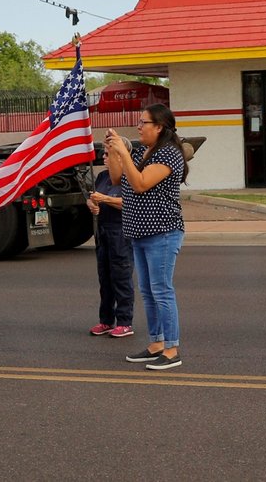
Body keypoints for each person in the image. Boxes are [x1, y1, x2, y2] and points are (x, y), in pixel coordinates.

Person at [105, 103, 188, 371]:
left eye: (144, 123)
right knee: (148, 291)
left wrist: (124, 153)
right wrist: (115, 152)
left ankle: (172, 348)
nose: (139, 127)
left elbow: (140, 184)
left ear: (159, 127)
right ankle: (156, 344)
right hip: (138, 232)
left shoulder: (169, 154)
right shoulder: (142, 151)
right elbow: (118, 179)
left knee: (162, 291)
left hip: (162, 232)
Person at [86, 137, 135, 339]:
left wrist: (105, 199)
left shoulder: (130, 176)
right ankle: (106, 320)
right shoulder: (103, 177)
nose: (104, 157)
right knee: (104, 278)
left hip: (120, 232)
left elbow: (130, 203)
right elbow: (94, 198)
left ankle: (125, 321)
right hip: (103, 231)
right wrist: (93, 204)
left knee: (121, 278)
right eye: (103, 153)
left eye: (108, 153)